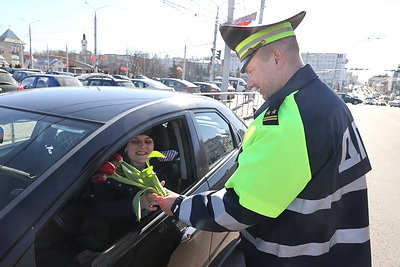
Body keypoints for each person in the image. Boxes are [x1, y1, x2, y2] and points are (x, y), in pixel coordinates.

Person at [148, 11, 372, 266]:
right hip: (335, 252)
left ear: (276, 57)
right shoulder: (326, 101)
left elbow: (237, 208)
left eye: (251, 70)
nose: (249, 83)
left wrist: (177, 205)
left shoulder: (290, 118)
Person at [87, 129, 166, 250]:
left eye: (148, 141)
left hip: (157, 232)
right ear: (125, 146)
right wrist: (136, 204)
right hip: (121, 241)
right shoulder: (109, 172)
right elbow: (98, 212)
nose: (143, 146)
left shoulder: (160, 166)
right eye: (135, 141)